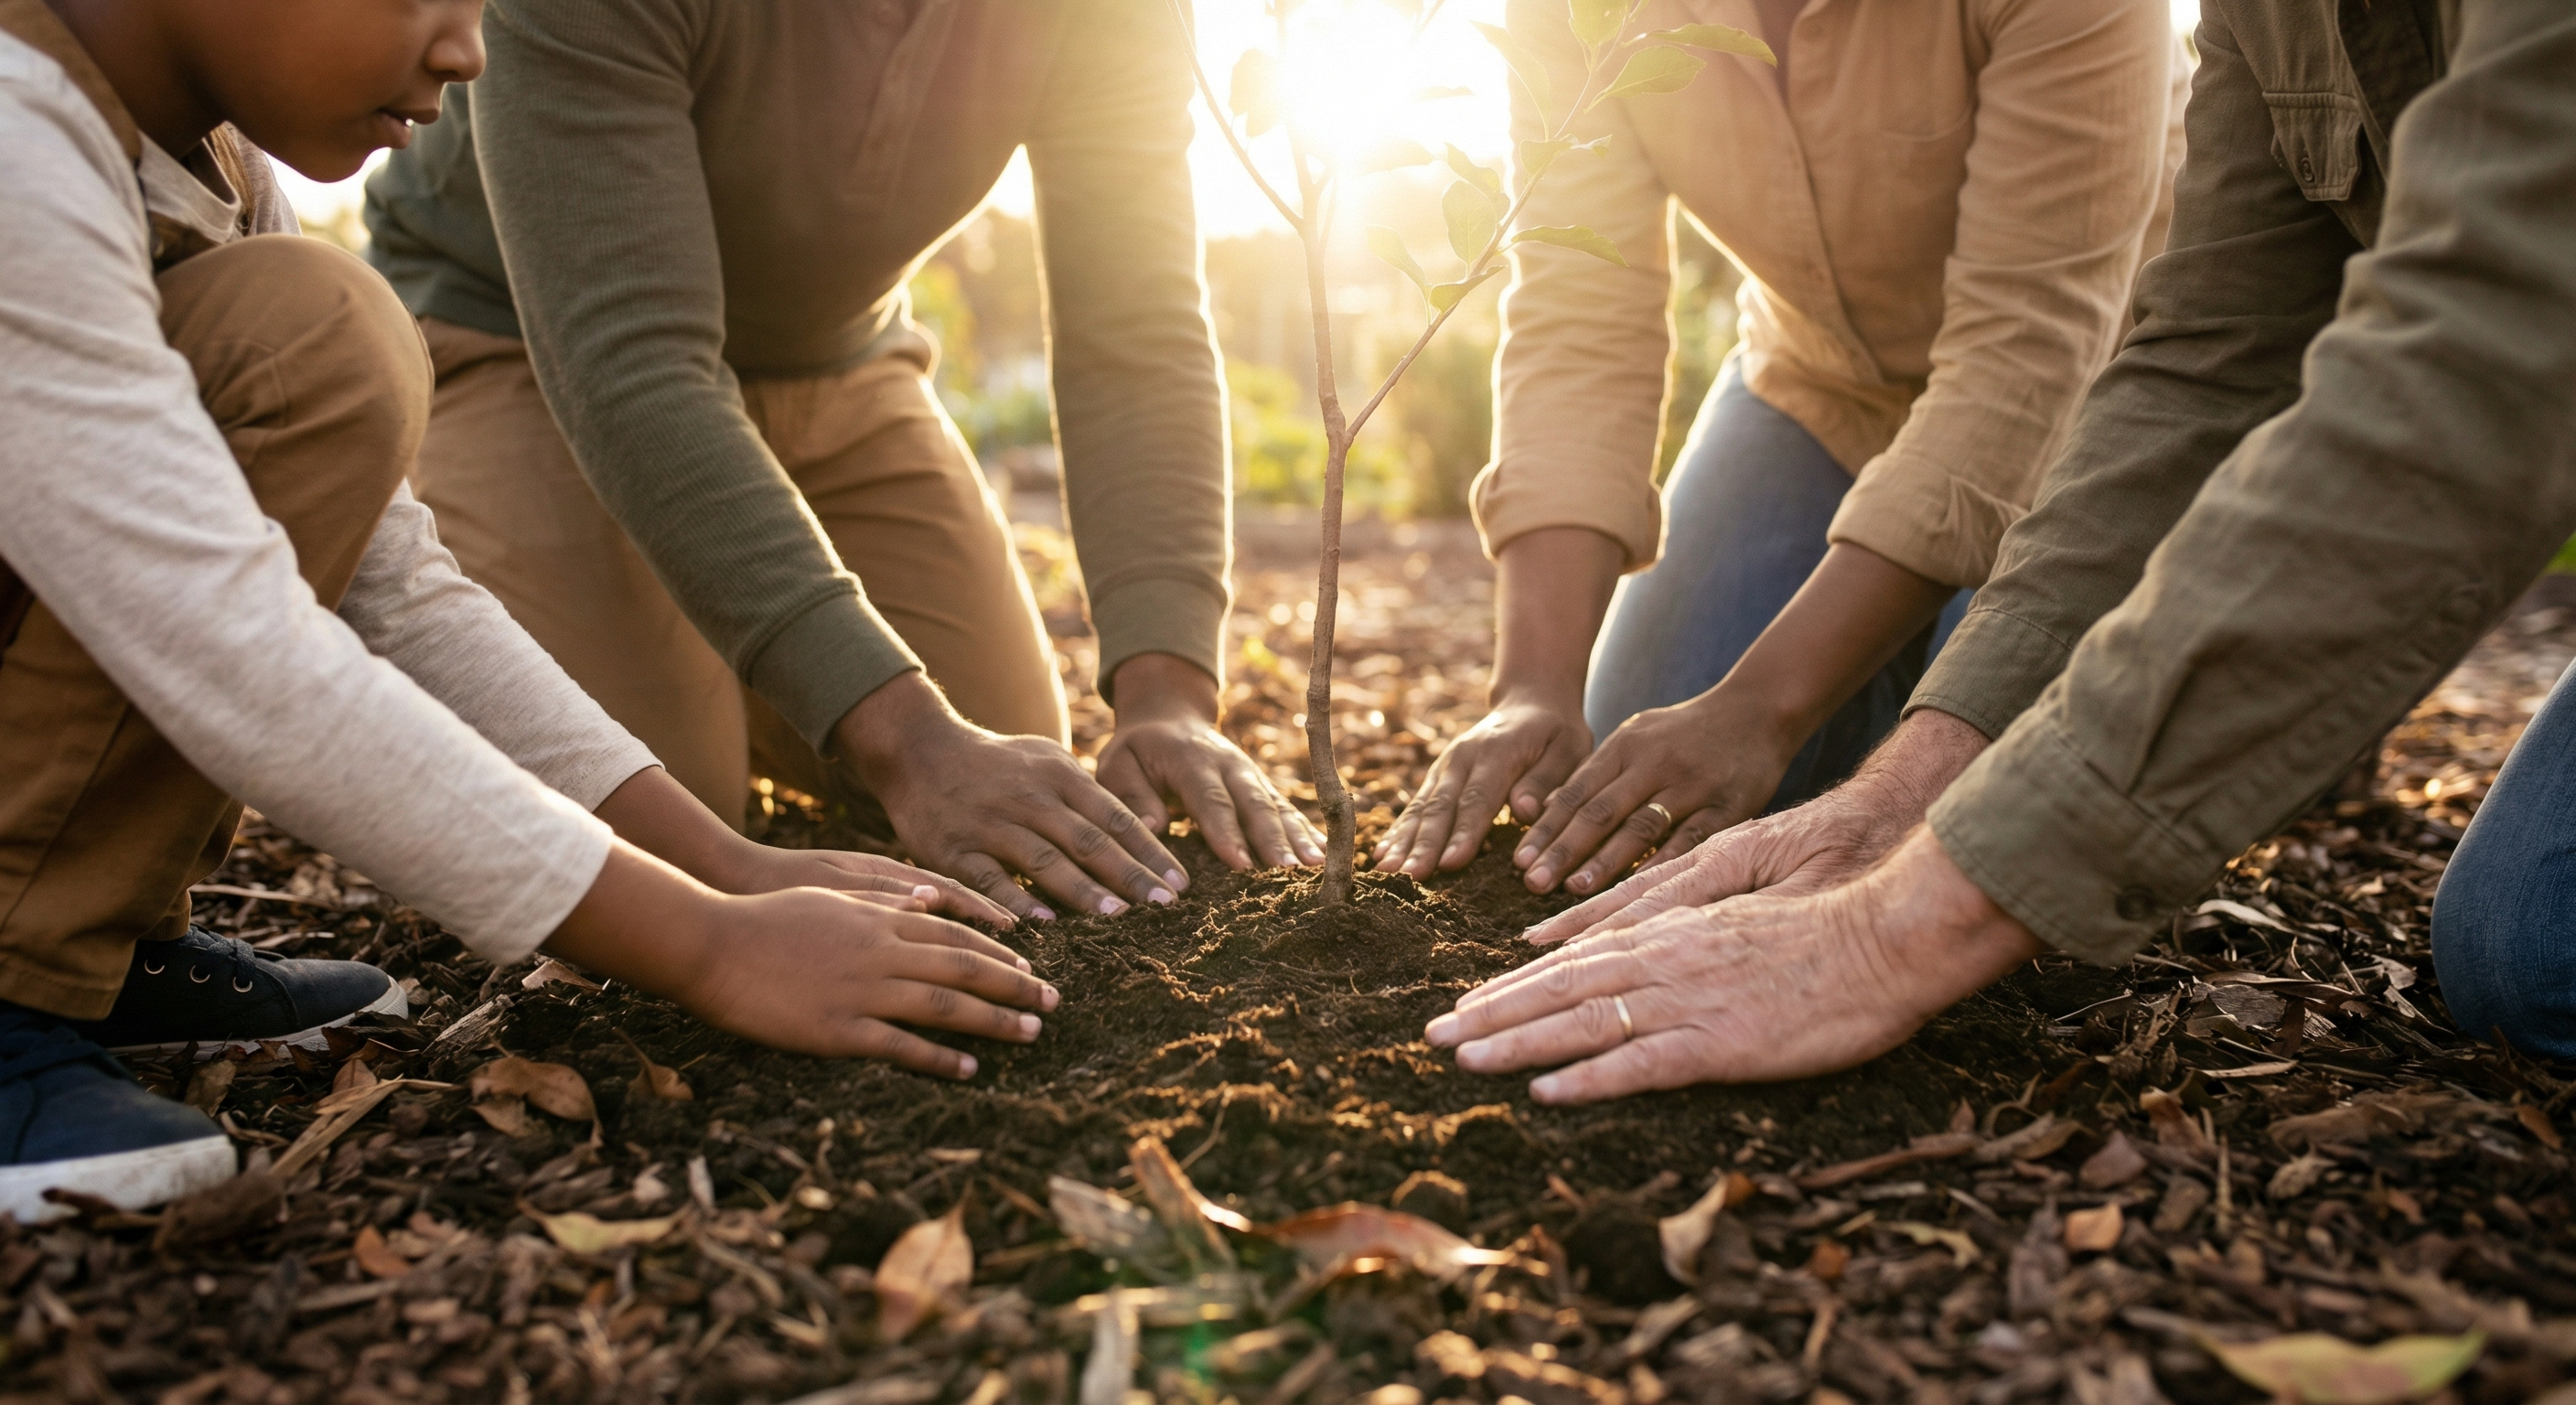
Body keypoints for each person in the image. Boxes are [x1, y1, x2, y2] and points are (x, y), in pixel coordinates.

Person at [0, 0, 1052, 1221]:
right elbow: (231, 646)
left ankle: (83, 940)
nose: (469, 47)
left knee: (309, 335)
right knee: (313, 335)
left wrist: (725, 868)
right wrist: (705, 945)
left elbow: (394, 591)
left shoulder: (212, 162)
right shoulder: (18, 142)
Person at [1425, 0, 2576, 1100]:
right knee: (1654, 757)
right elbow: (2213, 354)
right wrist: (1541, 688)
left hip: (2057, 400)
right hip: (1823, 384)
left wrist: (1897, 916)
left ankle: (2283, 717)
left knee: (2526, 955)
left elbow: (2469, 352)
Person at [359, 0, 1323, 925]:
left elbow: (1134, 329)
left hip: (833, 359)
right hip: (526, 337)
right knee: (648, 813)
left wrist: (1166, 695)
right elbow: (629, 359)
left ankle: (720, 642)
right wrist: (904, 739)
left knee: (1006, 747)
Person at [1372, 0, 2186, 896]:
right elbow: (1581, 318)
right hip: (1820, 379)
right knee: (1636, 778)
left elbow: (2022, 357)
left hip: (2087, 408)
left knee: (1980, 828)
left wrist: (1760, 711)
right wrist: (1532, 687)